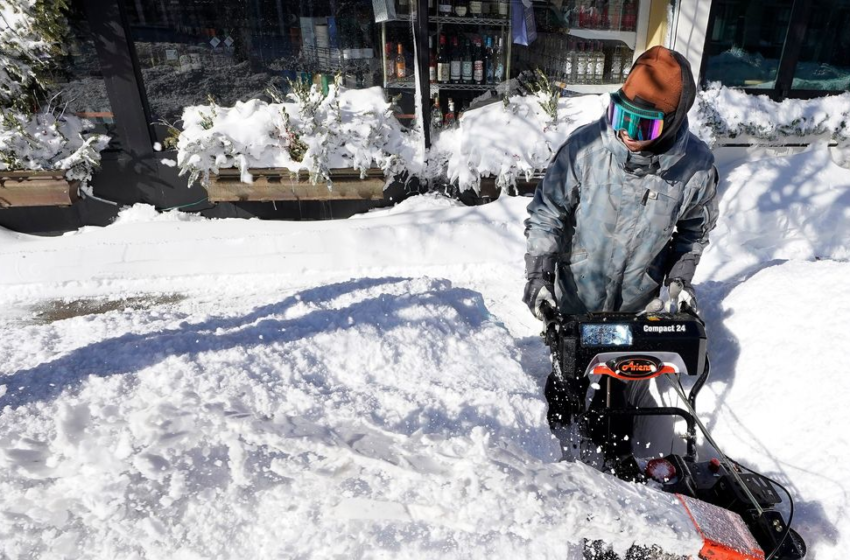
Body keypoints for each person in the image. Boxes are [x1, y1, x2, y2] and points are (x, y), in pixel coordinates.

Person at [522, 46, 719, 448]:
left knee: (621, 408)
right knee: (567, 385)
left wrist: (679, 281)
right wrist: (539, 275)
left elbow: (693, 233)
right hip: (577, 295)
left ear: (671, 122)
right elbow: (547, 214)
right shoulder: (586, 149)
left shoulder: (696, 167)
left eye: (642, 126)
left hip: (635, 304)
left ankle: (616, 450)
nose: (626, 131)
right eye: (621, 116)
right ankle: (555, 444)